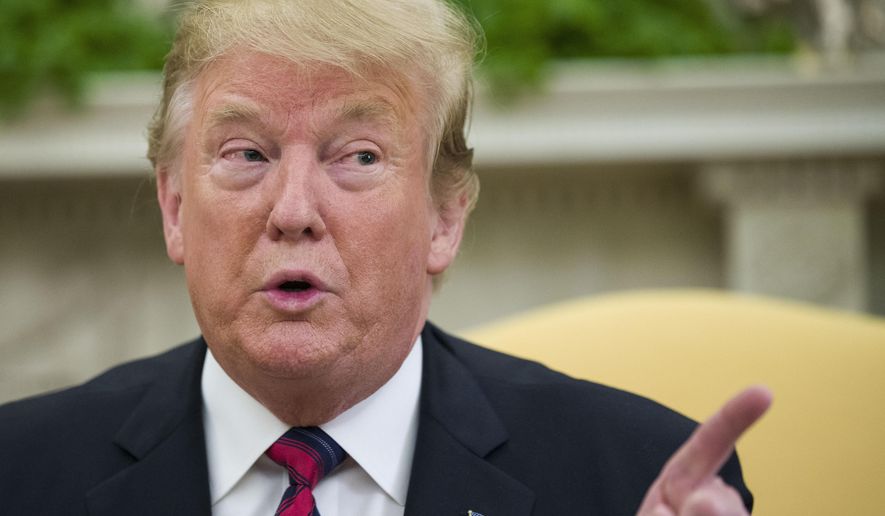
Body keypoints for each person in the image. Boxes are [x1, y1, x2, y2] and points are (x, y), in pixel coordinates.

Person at [0, 0, 771, 515]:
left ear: (443, 217)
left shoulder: (630, 478)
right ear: (174, 208)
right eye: (246, 153)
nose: (293, 211)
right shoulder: (21, 474)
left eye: (359, 156)